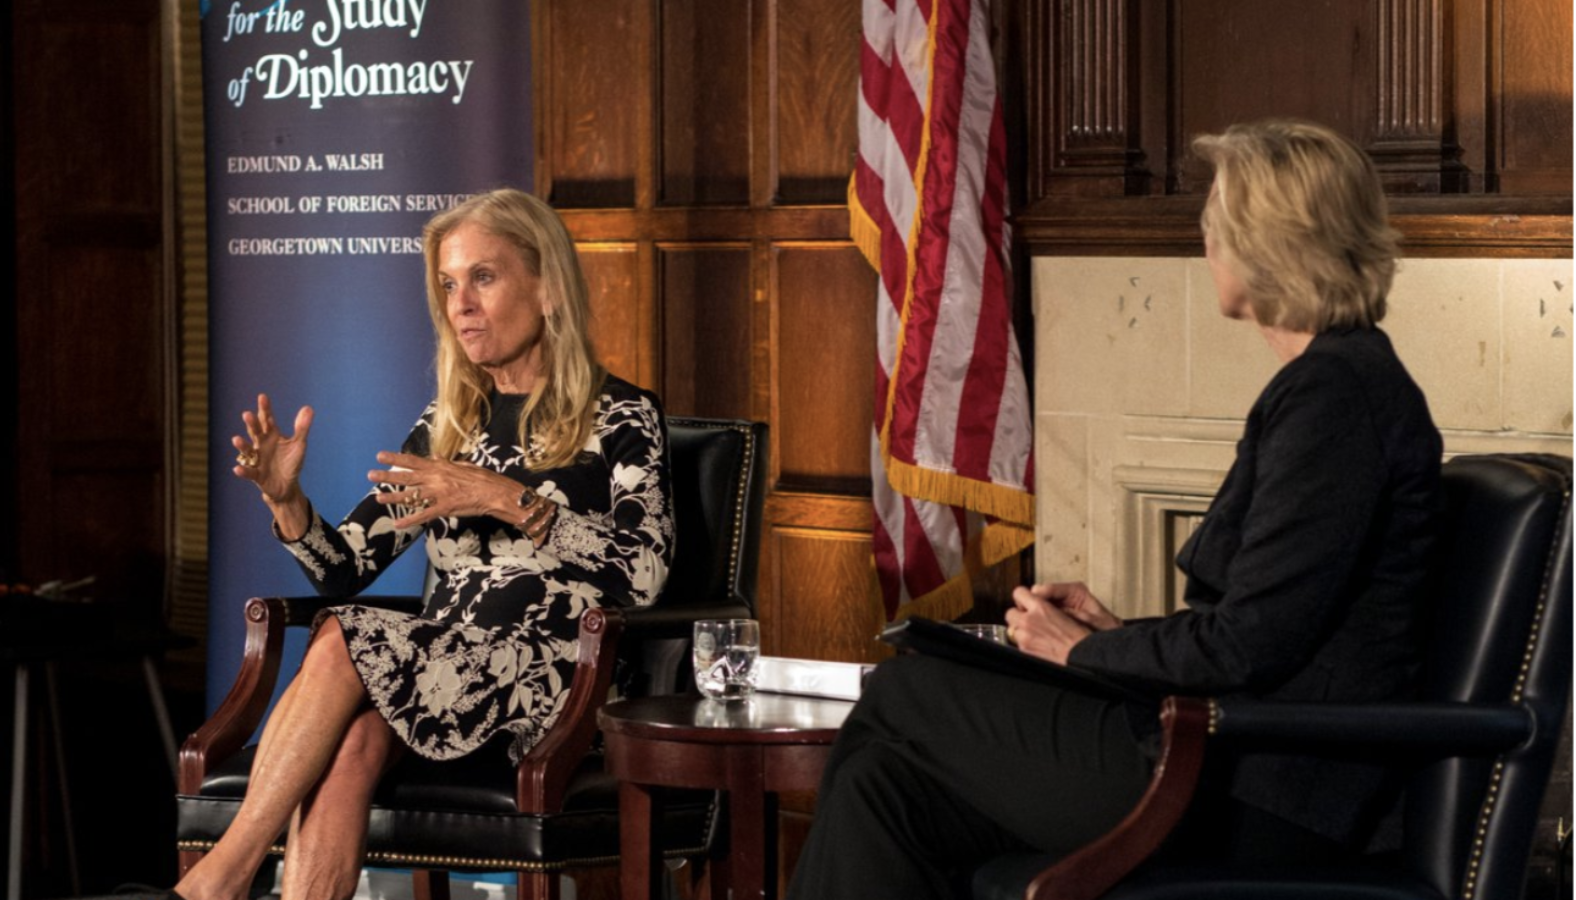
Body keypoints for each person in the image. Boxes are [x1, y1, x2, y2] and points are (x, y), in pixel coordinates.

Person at [785, 120, 1443, 899]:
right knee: (885, 789)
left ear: (1272, 240)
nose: (1205, 236)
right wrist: (1115, 634)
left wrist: (1079, 652)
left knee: (903, 694)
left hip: (1258, 788)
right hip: (1221, 751)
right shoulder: (1334, 385)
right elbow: (1272, 621)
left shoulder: (1338, 395)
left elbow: (1251, 644)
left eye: (1219, 217)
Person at [175, 189, 674, 900]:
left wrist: (504, 497)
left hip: (556, 687)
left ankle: (220, 876)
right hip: (442, 678)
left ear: (549, 287)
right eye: (448, 283)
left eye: (484, 277)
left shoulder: (622, 415)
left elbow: (646, 572)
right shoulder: (449, 424)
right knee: (354, 742)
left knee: (347, 638)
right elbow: (341, 569)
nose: (460, 303)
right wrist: (287, 503)